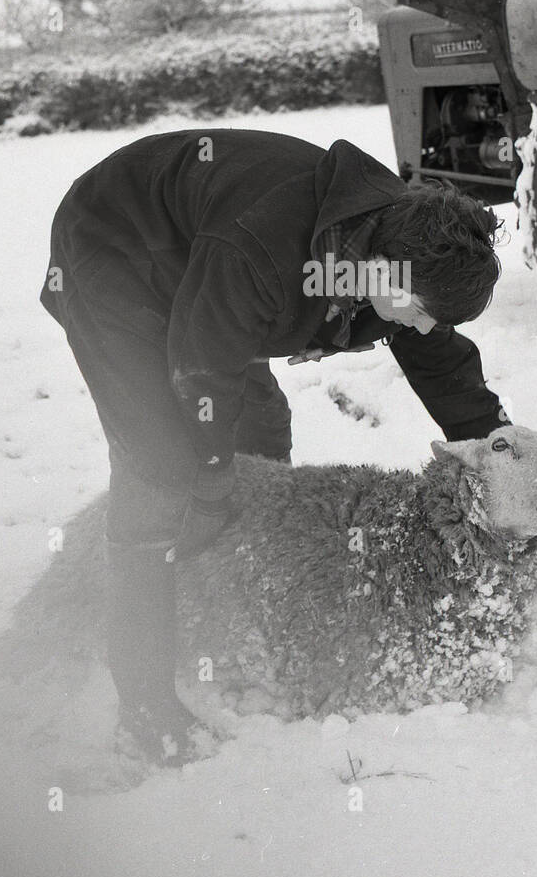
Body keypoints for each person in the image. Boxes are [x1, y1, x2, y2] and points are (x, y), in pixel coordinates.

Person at [40, 128, 510, 763]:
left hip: (205, 274)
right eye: (422, 310)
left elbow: (438, 356)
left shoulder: (406, 245)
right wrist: (208, 478)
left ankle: (227, 601)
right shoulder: (263, 250)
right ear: (382, 269)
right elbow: (201, 371)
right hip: (116, 251)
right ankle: (144, 703)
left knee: (258, 436)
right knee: (161, 468)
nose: (424, 325)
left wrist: (494, 444)